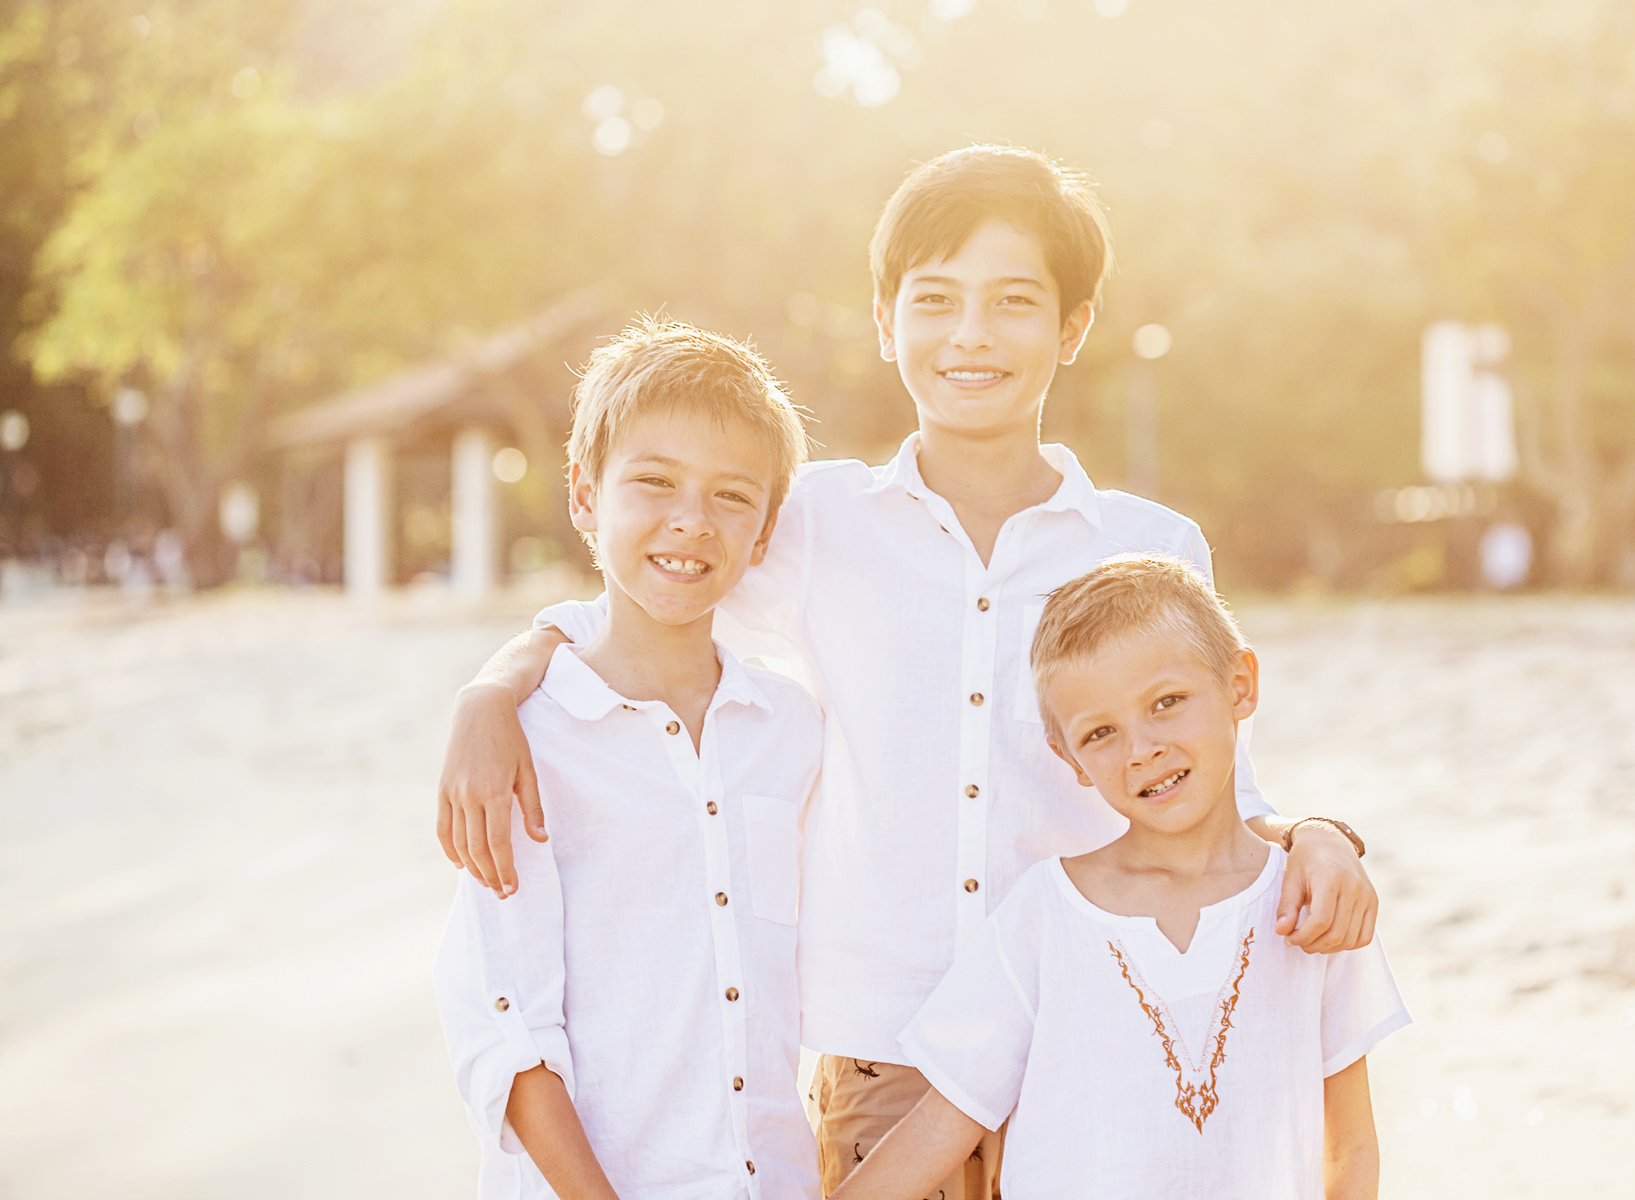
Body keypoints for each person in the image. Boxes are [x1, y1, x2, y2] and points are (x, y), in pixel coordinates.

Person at [438, 145, 1379, 1199]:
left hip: (1093, 1048)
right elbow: (656, 581)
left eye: (1014, 302)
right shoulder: (811, 524)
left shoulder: (1150, 548)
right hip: (885, 1063)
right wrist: (498, 687)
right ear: (885, 323)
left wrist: (1320, 835)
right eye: (936, 300)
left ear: (1072, 329)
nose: (972, 334)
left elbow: (1210, 800)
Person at [832, 555, 1409, 1200]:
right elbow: (939, 1128)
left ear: (1240, 685)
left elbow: (1350, 1147)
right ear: (1069, 758)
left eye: (1167, 703)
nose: (1142, 749)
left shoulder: (1313, 902)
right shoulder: (1046, 915)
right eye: (1101, 732)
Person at [432, 318, 821, 1199]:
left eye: (732, 497)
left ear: (764, 535)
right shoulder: (528, 739)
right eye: (653, 482)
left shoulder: (791, 728)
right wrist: (492, 693)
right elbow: (507, 1029)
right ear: (583, 497)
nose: (691, 520)